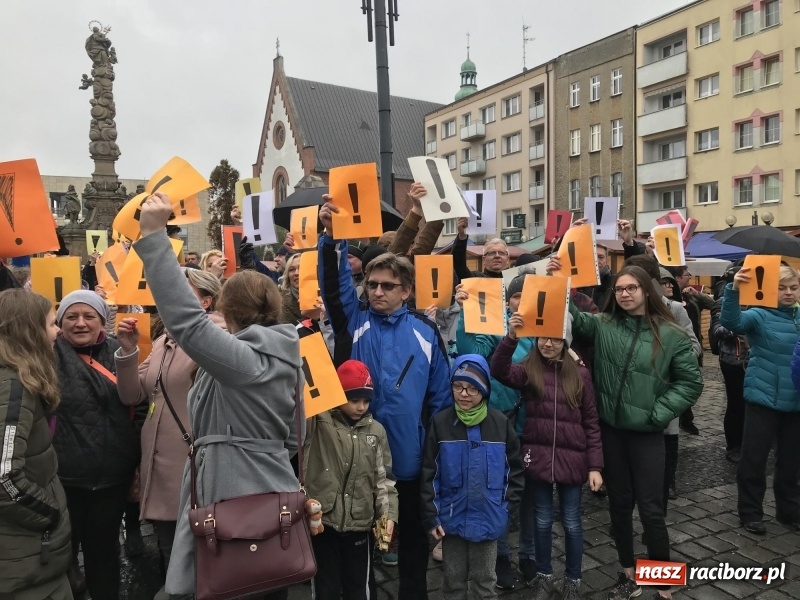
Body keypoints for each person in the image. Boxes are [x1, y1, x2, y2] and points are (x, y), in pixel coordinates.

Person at [134, 192, 303, 600]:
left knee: (236, 585)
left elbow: (187, 323)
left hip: (238, 499)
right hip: (266, 492)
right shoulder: (285, 358)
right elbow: (298, 439)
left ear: (225, 308)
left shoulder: (243, 360)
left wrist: (155, 236)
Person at [318, 199, 451, 599]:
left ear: (406, 291)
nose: (376, 291)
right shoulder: (355, 322)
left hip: (409, 463)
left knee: (412, 547)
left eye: (387, 286)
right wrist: (331, 237)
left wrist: (436, 459)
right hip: (357, 462)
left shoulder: (427, 334)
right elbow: (335, 283)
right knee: (362, 554)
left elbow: (442, 402)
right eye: (372, 284)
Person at [548, 261, 703, 600]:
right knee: (619, 504)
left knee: (651, 508)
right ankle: (627, 572)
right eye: (619, 288)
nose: (625, 293)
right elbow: (570, 314)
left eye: (632, 287)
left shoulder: (671, 333)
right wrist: (560, 280)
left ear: (647, 290)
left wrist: (658, 412)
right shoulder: (604, 325)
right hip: (611, 432)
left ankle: (662, 581)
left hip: (647, 433)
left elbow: (691, 383)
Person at [115, 268, 223, 600]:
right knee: (168, 549)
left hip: (196, 468)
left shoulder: (217, 337)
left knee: (203, 555)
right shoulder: (164, 340)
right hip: (159, 467)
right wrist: (129, 351)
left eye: (180, 291)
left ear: (205, 302)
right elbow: (132, 395)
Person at [491, 317, 603, 600]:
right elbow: (499, 370)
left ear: (565, 341)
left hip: (572, 460)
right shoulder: (530, 370)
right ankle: (544, 576)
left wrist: (595, 466)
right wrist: (511, 337)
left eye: (554, 338)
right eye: (543, 337)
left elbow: (591, 421)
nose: (548, 343)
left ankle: (573, 579)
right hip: (538, 457)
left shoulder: (580, 375)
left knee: (572, 522)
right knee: (541, 521)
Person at [52, 290, 140, 600]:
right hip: (64, 479)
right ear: (60, 322)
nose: (80, 323)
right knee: (61, 556)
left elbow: (135, 403)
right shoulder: (48, 353)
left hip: (111, 478)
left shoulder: (119, 350)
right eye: (71, 317)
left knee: (103, 556)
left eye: (89, 316)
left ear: (102, 321)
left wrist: (137, 462)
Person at [454, 274, 535, 588]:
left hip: (532, 423)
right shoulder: (495, 325)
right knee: (497, 492)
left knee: (529, 495)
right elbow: (467, 352)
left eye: (527, 296)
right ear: (508, 300)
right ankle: (501, 558)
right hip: (498, 421)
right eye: (516, 296)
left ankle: (528, 555)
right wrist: (463, 314)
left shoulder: (544, 329)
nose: (521, 302)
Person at [421, 355, 524, 600]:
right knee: (453, 582)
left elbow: (515, 472)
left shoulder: (500, 424)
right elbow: (429, 474)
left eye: (472, 388)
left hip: (489, 520)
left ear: (485, 390)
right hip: (451, 521)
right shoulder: (441, 423)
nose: (464, 394)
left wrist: (505, 509)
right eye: (458, 386)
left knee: (485, 584)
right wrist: (432, 515)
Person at [0, 290, 73, 600]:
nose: (58, 331)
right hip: (25, 561)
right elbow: (4, 478)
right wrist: (50, 515)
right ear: (29, 331)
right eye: (52, 323)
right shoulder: (12, 388)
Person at [304, 360, 398, 600]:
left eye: (366, 401)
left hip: (360, 525)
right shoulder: (319, 421)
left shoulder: (376, 431)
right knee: (326, 588)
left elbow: (384, 479)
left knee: (360, 588)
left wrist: (387, 516)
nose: (361, 407)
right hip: (324, 522)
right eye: (354, 400)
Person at [722, 265, 800, 534]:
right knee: (754, 459)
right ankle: (750, 512)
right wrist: (733, 290)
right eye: (782, 287)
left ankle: (790, 510)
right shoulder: (759, 315)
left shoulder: (799, 316)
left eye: (793, 287)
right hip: (763, 397)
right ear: (770, 290)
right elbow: (731, 323)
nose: (788, 293)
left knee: (791, 461)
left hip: (796, 400)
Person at [709, 266, 749, 464]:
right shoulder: (723, 301)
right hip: (732, 360)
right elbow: (717, 330)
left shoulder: (761, 301)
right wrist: (741, 327)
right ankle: (734, 445)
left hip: (754, 359)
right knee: (736, 404)